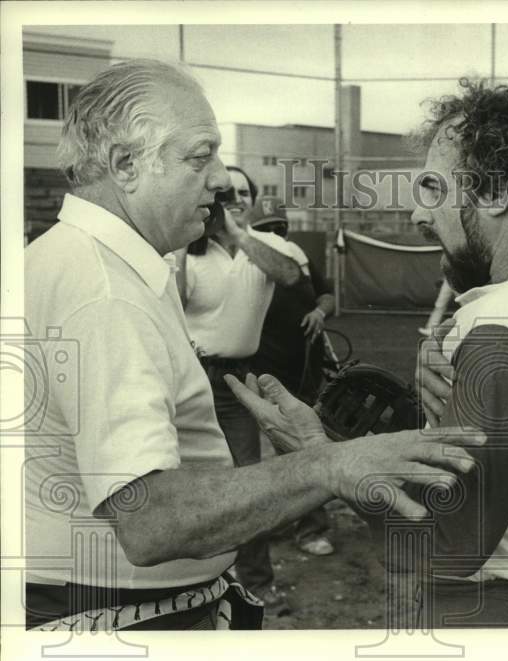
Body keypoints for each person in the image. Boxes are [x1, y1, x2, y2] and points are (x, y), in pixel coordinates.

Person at [22, 58, 484, 631]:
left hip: (109, 604)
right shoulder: (105, 290)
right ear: (125, 165)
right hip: (119, 618)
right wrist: (331, 463)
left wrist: (313, 454)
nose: (221, 179)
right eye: (200, 156)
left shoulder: (81, 260)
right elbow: (150, 519)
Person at [233, 78, 508, 629]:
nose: (418, 215)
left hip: (502, 610)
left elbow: (446, 547)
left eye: (432, 187)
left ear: (495, 193)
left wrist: (321, 458)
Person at [172, 166, 303, 604]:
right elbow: (175, 304)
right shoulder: (188, 252)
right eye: (225, 195)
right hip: (191, 376)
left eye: (243, 194)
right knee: (188, 477)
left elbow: (291, 276)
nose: (235, 201)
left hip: (235, 381)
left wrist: (238, 234)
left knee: (246, 480)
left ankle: (255, 583)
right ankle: (193, 580)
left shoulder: (267, 246)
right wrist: (189, 240)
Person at [248, 198, 337, 557]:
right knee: (254, 453)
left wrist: (319, 312)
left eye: (279, 227)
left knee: (304, 445)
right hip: (259, 366)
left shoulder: (297, 255)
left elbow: (327, 295)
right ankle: (263, 526)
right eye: (265, 229)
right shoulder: (244, 259)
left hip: (304, 366)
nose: (274, 234)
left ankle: (311, 526)